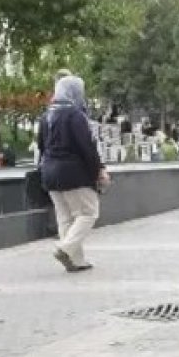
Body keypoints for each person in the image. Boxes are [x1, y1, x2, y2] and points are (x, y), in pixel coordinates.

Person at [39, 73, 109, 273]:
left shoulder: (46, 115)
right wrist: (98, 170)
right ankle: (65, 248)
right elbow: (86, 148)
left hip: (50, 173)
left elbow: (41, 147)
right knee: (88, 213)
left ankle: (76, 260)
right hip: (73, 173)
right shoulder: (75, 115)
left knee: (65, 218)